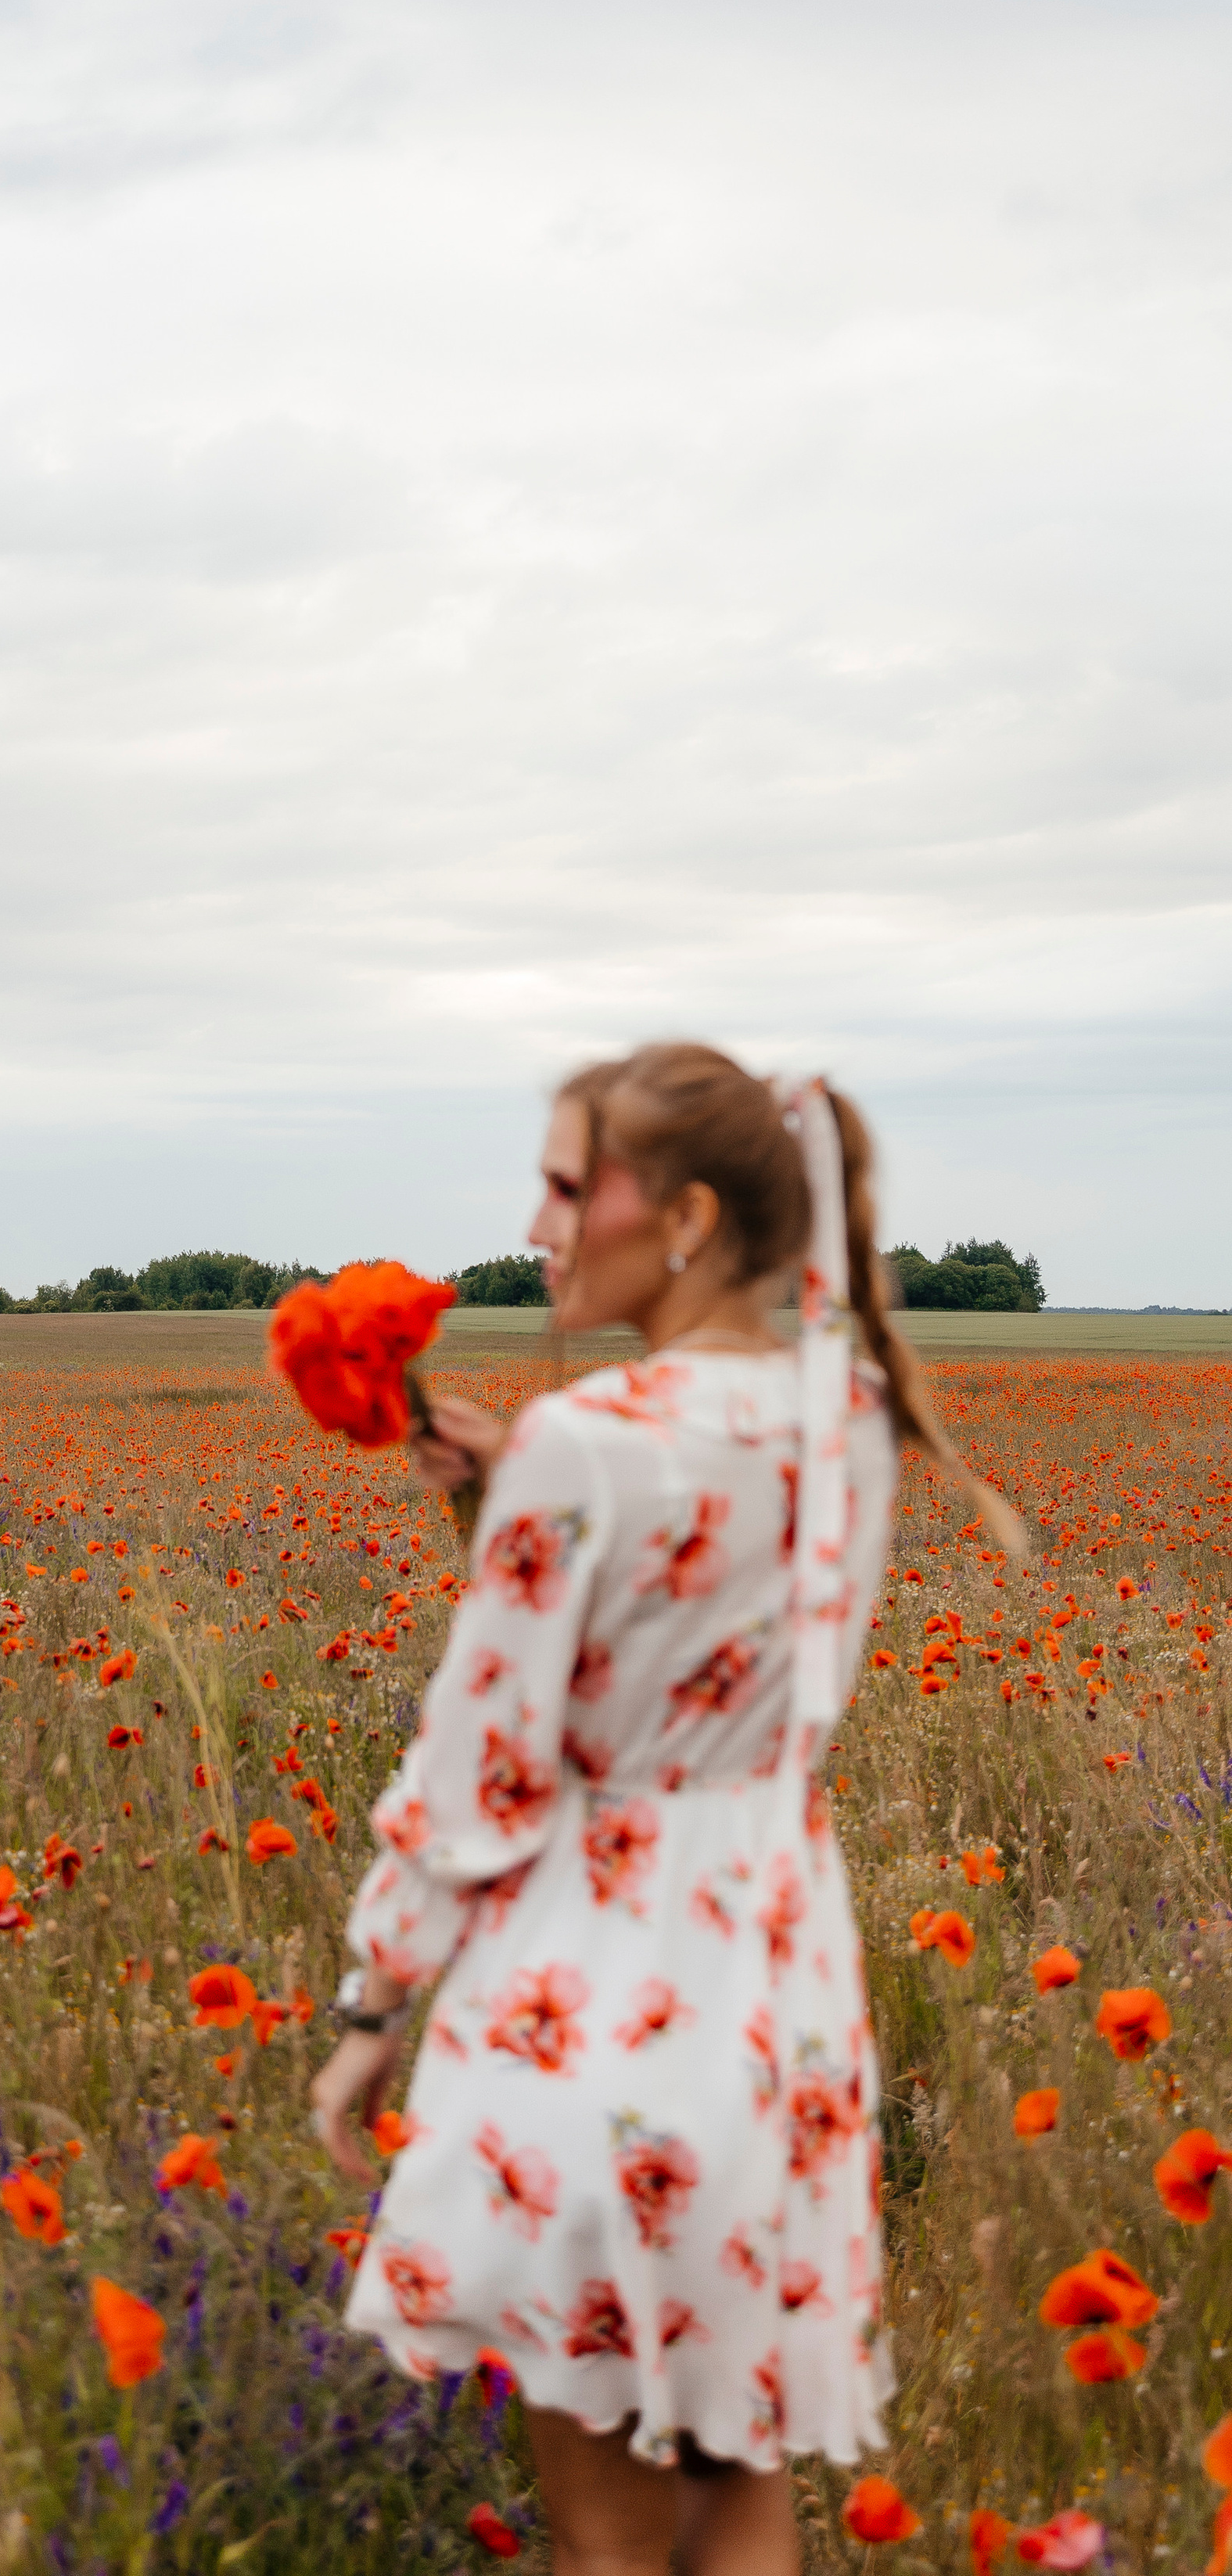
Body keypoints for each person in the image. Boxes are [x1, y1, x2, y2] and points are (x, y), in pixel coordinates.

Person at [310, 1043, 1021, 2576]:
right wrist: (493, 1501)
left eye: (570, 1184)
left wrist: (375, 1995)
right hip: (772, 2008)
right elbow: (704, 1643)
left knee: (609, 2542)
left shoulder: (580, 1445)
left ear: (684, 1216)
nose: (538, 1222)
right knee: (733, 2479)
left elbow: (485, 1764)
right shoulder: (845, 1425)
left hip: (597, 1997)